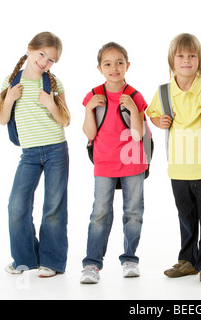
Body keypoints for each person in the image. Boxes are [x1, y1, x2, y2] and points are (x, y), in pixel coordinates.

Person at [147, 33, 201, 284]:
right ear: (171, 62)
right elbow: (152, 114)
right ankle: (187, 261)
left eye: (192, 56)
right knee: (185, 216)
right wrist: (158, 121)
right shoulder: (164, 92)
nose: (186, 60)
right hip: (179, 168)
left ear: (199, 60)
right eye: (181, 56)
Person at [0, 32, 70, 278]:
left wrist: (51, 105)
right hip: (28, 154)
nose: (45, 62)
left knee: (53, 207)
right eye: (42, 55)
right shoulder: (11, 82)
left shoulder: (53, 83)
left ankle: (52, 261)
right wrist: (9, 100)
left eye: (51, 60)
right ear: (29, 49)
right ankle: (25, 259)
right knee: (16, 206)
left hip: (55, 150)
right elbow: (1, 119)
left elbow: (66, 120)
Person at [80, 42, 148, 284]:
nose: (114, 68)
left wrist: (134, 109)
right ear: (99, 68)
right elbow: (89, 134)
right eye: (107, 64)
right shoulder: (94, 94)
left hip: (133, 162)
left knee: (133, 212)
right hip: (104, 163)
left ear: (127, 65)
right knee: (99, 212)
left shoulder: (135, 95)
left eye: (119, 62)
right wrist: (89, 109)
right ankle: (91, 264)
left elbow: (138, 134)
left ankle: (130, 259)